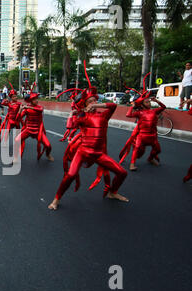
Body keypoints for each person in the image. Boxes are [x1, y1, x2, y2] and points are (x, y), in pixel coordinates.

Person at [48, 61, 128, 211]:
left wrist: (96, 106)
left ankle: (113, 192)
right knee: (70, 175)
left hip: (99, 154)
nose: (94, 102)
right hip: (83, 152)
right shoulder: (82, 117)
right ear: (84, 105)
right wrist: (72, 114)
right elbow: (70, 127)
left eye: (95, 100)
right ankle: (56, 199)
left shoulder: (104, 116)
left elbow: (113, 106)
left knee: (122, 173)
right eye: (90, 101)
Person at [121, 74, 166, 171]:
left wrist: (157, 101)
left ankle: (150, 159)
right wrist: (132, 107)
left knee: (158, 150)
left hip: (153, 136)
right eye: (146, 102)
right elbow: (128, 115)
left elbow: (163, 107)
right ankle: (132, 164)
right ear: (142, 104)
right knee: (136, 149)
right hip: (142, 136)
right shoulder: (139, 113)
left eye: (149, 102)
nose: (149, 103)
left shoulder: (154, 111)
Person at [13, 82, 54, 162]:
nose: (36, 100)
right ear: (31, 101)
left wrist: (28, 107)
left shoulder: (39, 107)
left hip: (38, 131)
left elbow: (40, 110)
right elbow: (17, 119)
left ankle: (48, 154)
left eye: (36, 99)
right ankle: (16, 157)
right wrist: (20, 110)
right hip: (28, 129)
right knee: (17, 140)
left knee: (48, 145)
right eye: (34, 99)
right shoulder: (27, 109)